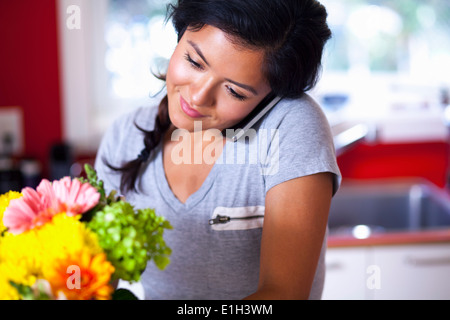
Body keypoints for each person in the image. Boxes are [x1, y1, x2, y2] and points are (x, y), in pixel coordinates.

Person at [95, 0, 341, 300]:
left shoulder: (291, 126)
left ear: (271, 97)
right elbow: (98, 280)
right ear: (179, 34)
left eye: (234, 91)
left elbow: (283, 294)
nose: (198, 96)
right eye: (194, 62)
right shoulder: (126, 136)